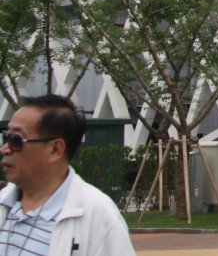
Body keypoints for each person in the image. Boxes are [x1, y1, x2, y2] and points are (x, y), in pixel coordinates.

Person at [0, 95, 134, 255]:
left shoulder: (100, 219)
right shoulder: (4, 201)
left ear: (55, 149)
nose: (4, 149)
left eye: (16, 140)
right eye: (5, 137)